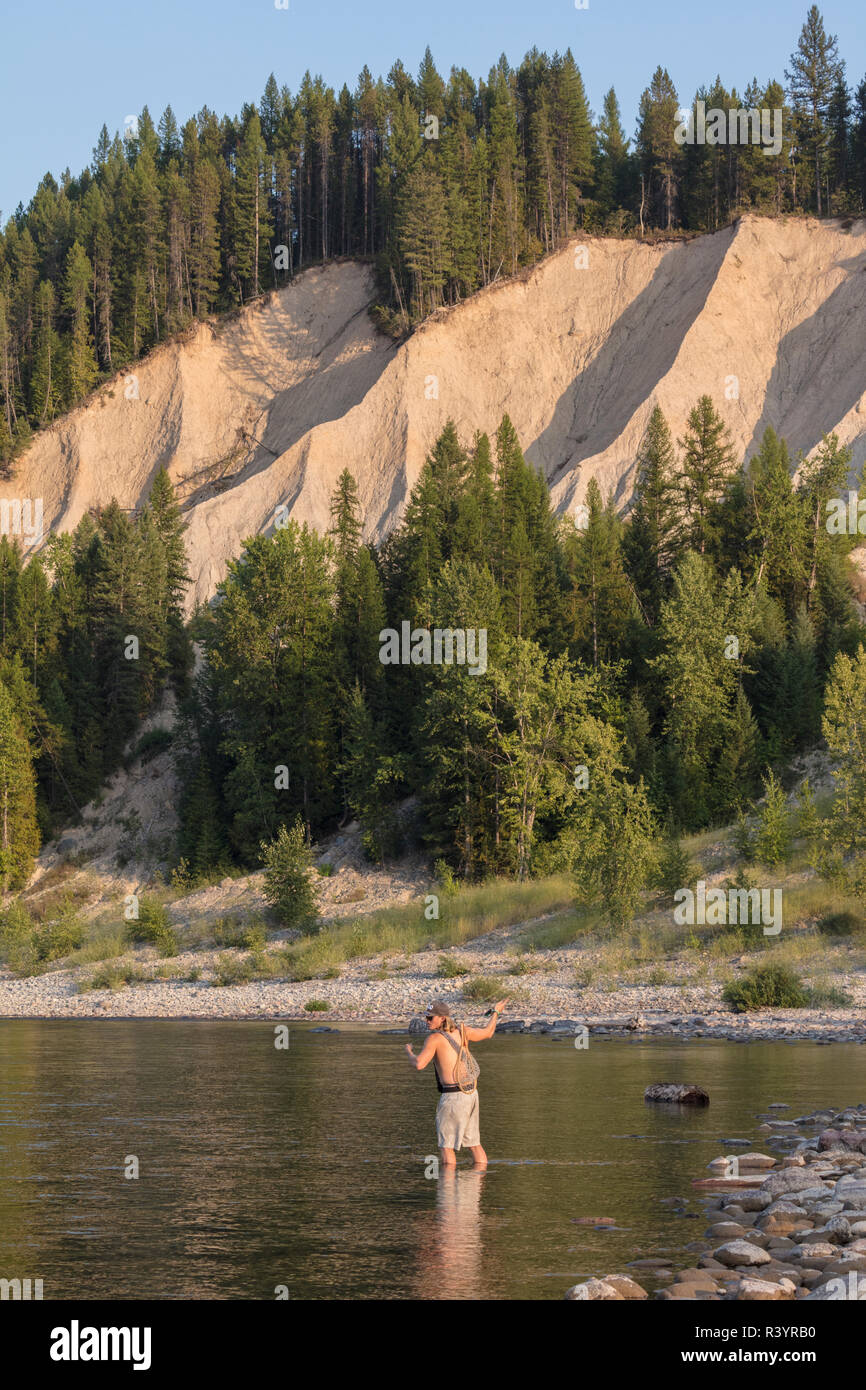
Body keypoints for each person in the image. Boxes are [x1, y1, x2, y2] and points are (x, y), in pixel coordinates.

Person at [405, 997, 509, 1169]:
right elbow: (488, 1032)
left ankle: (448, 1190)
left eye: (430, 1018)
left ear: (442, 1018)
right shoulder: (463, 1031)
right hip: (471, 1094)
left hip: (453, 1098)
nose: (427, 1021)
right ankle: (476, 1187)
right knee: (474, 1144)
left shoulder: (435, 1039)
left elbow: (419, 1064)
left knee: (446, 1146)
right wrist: (496, 1012)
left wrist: (409, 1052)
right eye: (426, 1017)